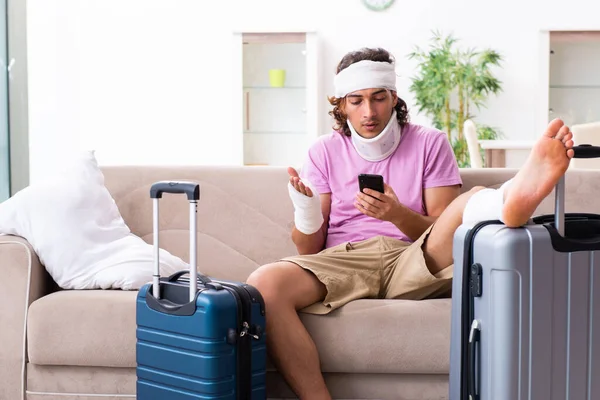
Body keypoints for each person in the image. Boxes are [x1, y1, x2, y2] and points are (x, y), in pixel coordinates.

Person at [246, 47, 575, 400]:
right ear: (341, 105)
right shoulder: (323, 151)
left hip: (414, 257)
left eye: (378, 98)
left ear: (394, 97)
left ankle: (509, 198)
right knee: (263, 282)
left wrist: (396, 214)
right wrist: (306, 209)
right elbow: (309, 248)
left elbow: (449, 232)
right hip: (345, 259)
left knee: (467, 205)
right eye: (356, 101)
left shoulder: (429, 143)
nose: (368, 112)